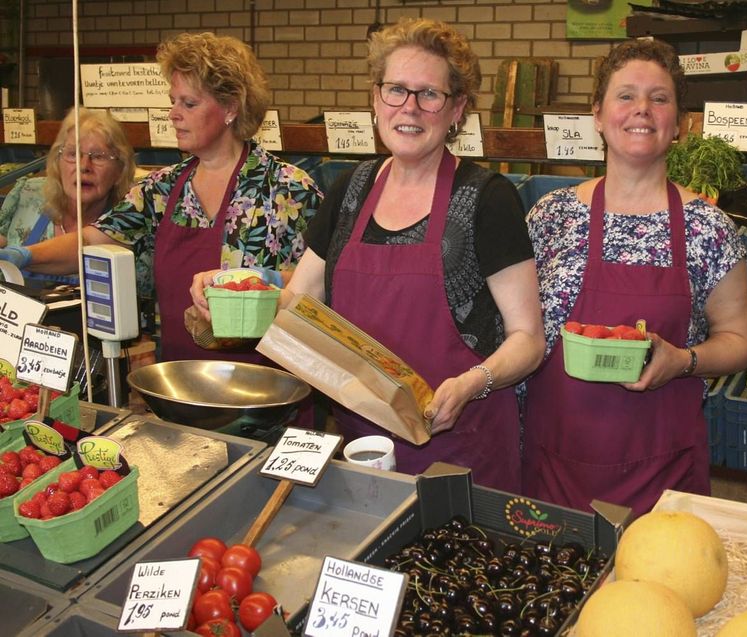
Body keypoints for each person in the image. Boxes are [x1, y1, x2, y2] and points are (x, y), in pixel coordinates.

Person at [198, 18, 544, 491]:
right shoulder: (351, 191)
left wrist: (472, 383)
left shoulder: (487, 198)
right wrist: (229, 296)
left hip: (461, 450)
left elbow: (528, 338)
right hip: (363, 447)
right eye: (396, 90)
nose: (410, 108)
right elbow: (298, 304)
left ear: (457, 108)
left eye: (429, 94)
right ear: (376, 98)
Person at [523, 39, 747, 514]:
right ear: (597, 114)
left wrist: (683, 361)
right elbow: (516, 331)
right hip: (552, 468)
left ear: (682, 124)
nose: (642, 110)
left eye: (660, 97)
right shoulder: (551, 217)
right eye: (625, 95)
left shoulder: (708, 229)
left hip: (660, 478)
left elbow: (740, 340)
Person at [0, 32, 322, 362]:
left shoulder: (288, 190)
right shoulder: (164, 188)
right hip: (178, 382)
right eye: (173, 100)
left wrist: (262, 283)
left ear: (230, 108)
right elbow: (93, 240)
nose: (173, 114)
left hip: (265, 389)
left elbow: (321, 289)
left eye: (189, 103)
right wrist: (20, 255)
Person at [0, 108, 136, 285]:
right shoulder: (28, 194)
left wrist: (25, 256)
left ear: (120, 170)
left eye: (99, 157)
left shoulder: (132, 218)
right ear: (57, 162)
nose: (83, 166)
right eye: (72, 154)